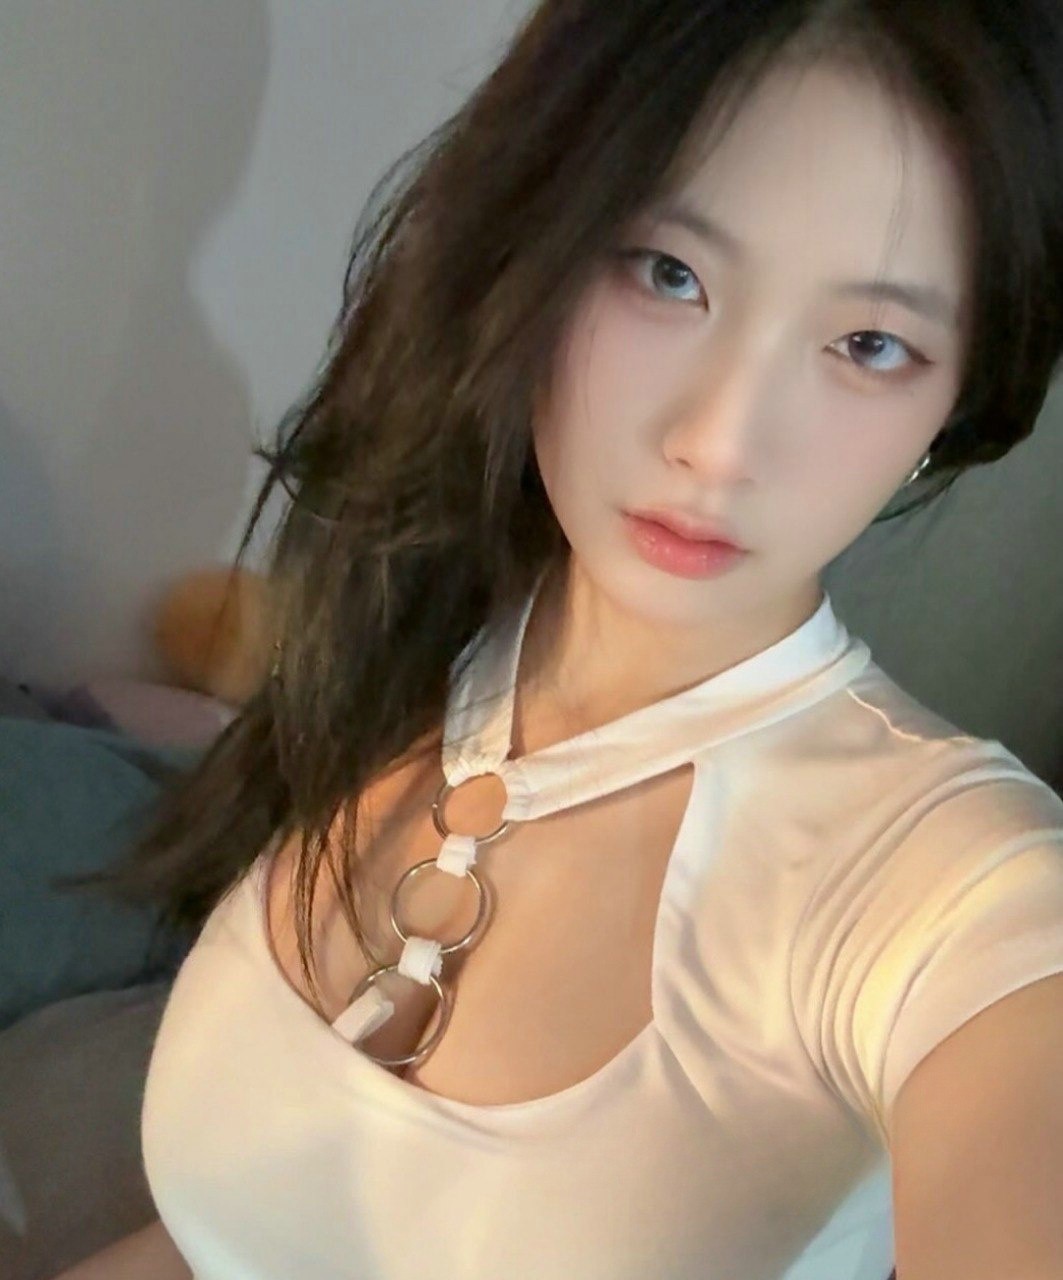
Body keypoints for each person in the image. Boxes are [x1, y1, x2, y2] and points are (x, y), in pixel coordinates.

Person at [52, 0, 1063, 1277]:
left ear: (954, 400)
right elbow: (221, 1238)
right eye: (668, 273)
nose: (719, 443)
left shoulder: (943, 884)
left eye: (868, 344)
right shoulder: (421, 613)